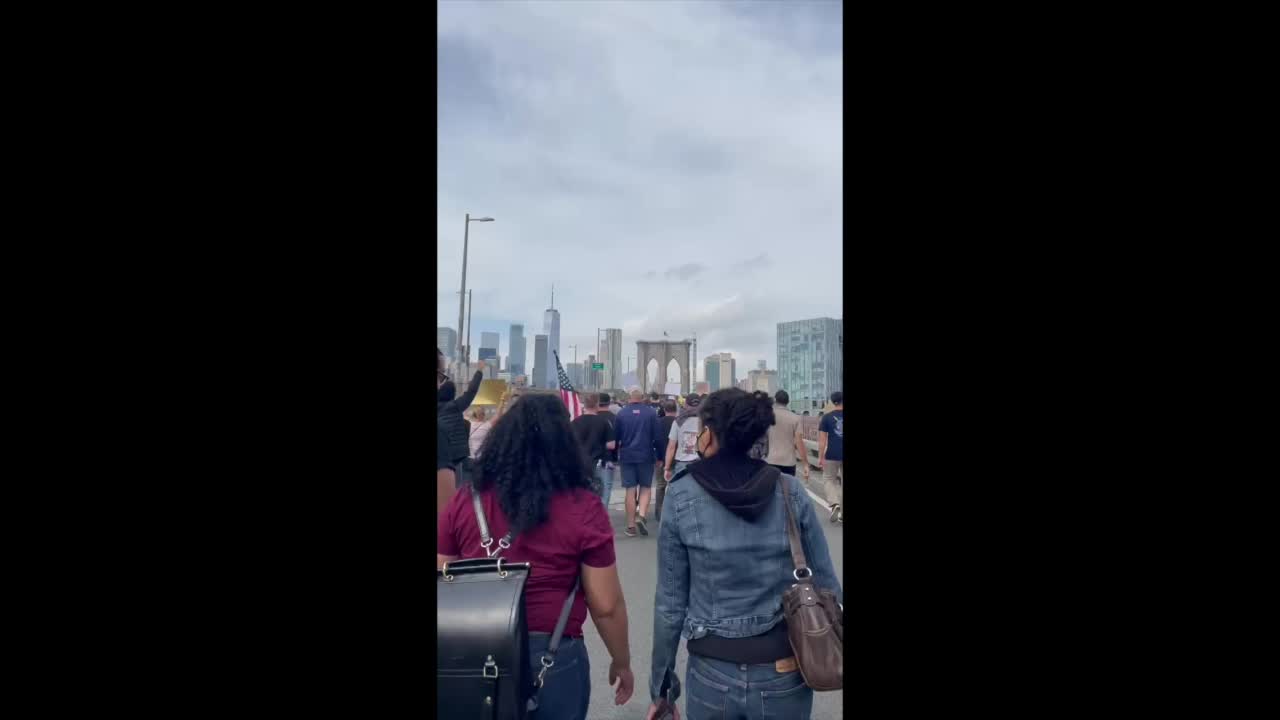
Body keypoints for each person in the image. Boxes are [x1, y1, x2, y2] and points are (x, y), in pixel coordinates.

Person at [646, 389, 842, 720]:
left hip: (711, 667)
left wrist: (662, 686)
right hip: (784, 665)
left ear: (708, 432)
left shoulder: (681, 494)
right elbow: (826, 584)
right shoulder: (788, 489)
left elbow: (670, 605)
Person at [438, 393, 635, 719]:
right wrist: (622, 661)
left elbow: (442, 575)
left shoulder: (465, 500)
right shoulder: (583, 506)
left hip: (473, 649)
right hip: (553, 654)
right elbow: (606, 605)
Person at [614, 389, 664, 537]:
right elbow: (658, 437)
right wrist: (660, 457)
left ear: (630, 398)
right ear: (642, 398)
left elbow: (615, 437)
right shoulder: (651, 413)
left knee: (630, 489)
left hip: (627, 455)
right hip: (646, 455)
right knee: (646, 487)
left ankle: (630, 526)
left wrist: (614, 455)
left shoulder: (621, 414)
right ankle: (641, 515)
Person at [438, 359, 486, 470]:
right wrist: (479, 371)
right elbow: (471, 391)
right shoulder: (455, 406)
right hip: (457, 455)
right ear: (453, 394)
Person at [572, 393, 618, 508]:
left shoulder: (575, 422)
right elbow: (611, 445)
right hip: (601, 462)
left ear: (584, 405)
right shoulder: (603, 422)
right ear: (597, 404)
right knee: (602, 493)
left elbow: (570, 444)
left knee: (582, 493)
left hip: (580, 463)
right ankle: (600, 520)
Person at [661, 393, 702, 522]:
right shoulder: (706, 420)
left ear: (686, 404)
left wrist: (667, 467)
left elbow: (671, 446)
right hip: (700, 462)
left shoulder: (678, 421)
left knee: (681, 493)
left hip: (682, 463)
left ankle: (683, 519)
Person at [765, 390, 810, 481]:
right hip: (788, 461)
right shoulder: (796, 418)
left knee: (770, 489)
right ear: (788, 402)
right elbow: (799, 442)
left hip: (769, 460)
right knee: (788, 490)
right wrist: (805, 464)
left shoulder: (767, 416)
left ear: (775, 401)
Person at [818, 391, 844, 524]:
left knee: (829, 479)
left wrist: (820, 457)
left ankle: (835, 504)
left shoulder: (827, 417)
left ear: (833, 402)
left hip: (832, 453)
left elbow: (822, 440)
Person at [651, 399, 678, 520]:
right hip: (677, 459)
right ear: (676, 410)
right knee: (675, 486)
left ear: (664, 410)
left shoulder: (658, 422)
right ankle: (674, 512)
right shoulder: (679, 422)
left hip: (660, 459)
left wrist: (658, 457)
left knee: (660, 485)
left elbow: (656, 441)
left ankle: (659, 512)